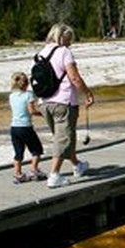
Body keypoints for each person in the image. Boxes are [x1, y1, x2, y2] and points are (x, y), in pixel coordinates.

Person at [36, 23, 95, 188]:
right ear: (61, 37)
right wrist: (88, 94)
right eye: (68, 39)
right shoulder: (64, 52)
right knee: (63, 139)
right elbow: (74, 77)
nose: (70, 43)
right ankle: (54, 175)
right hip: (64, 102)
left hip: (45, 102)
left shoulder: (41, 53)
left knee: (62, 137)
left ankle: (77, 165)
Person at [8, 71, 45, 183]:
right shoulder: (28, 95)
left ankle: (18, 174)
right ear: (27, 83)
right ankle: (34, 170)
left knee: (18, 152)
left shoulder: (12, 96)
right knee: (37, 150)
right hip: (25, 127)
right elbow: (32, 111)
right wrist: (43, 114)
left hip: (14, 127)